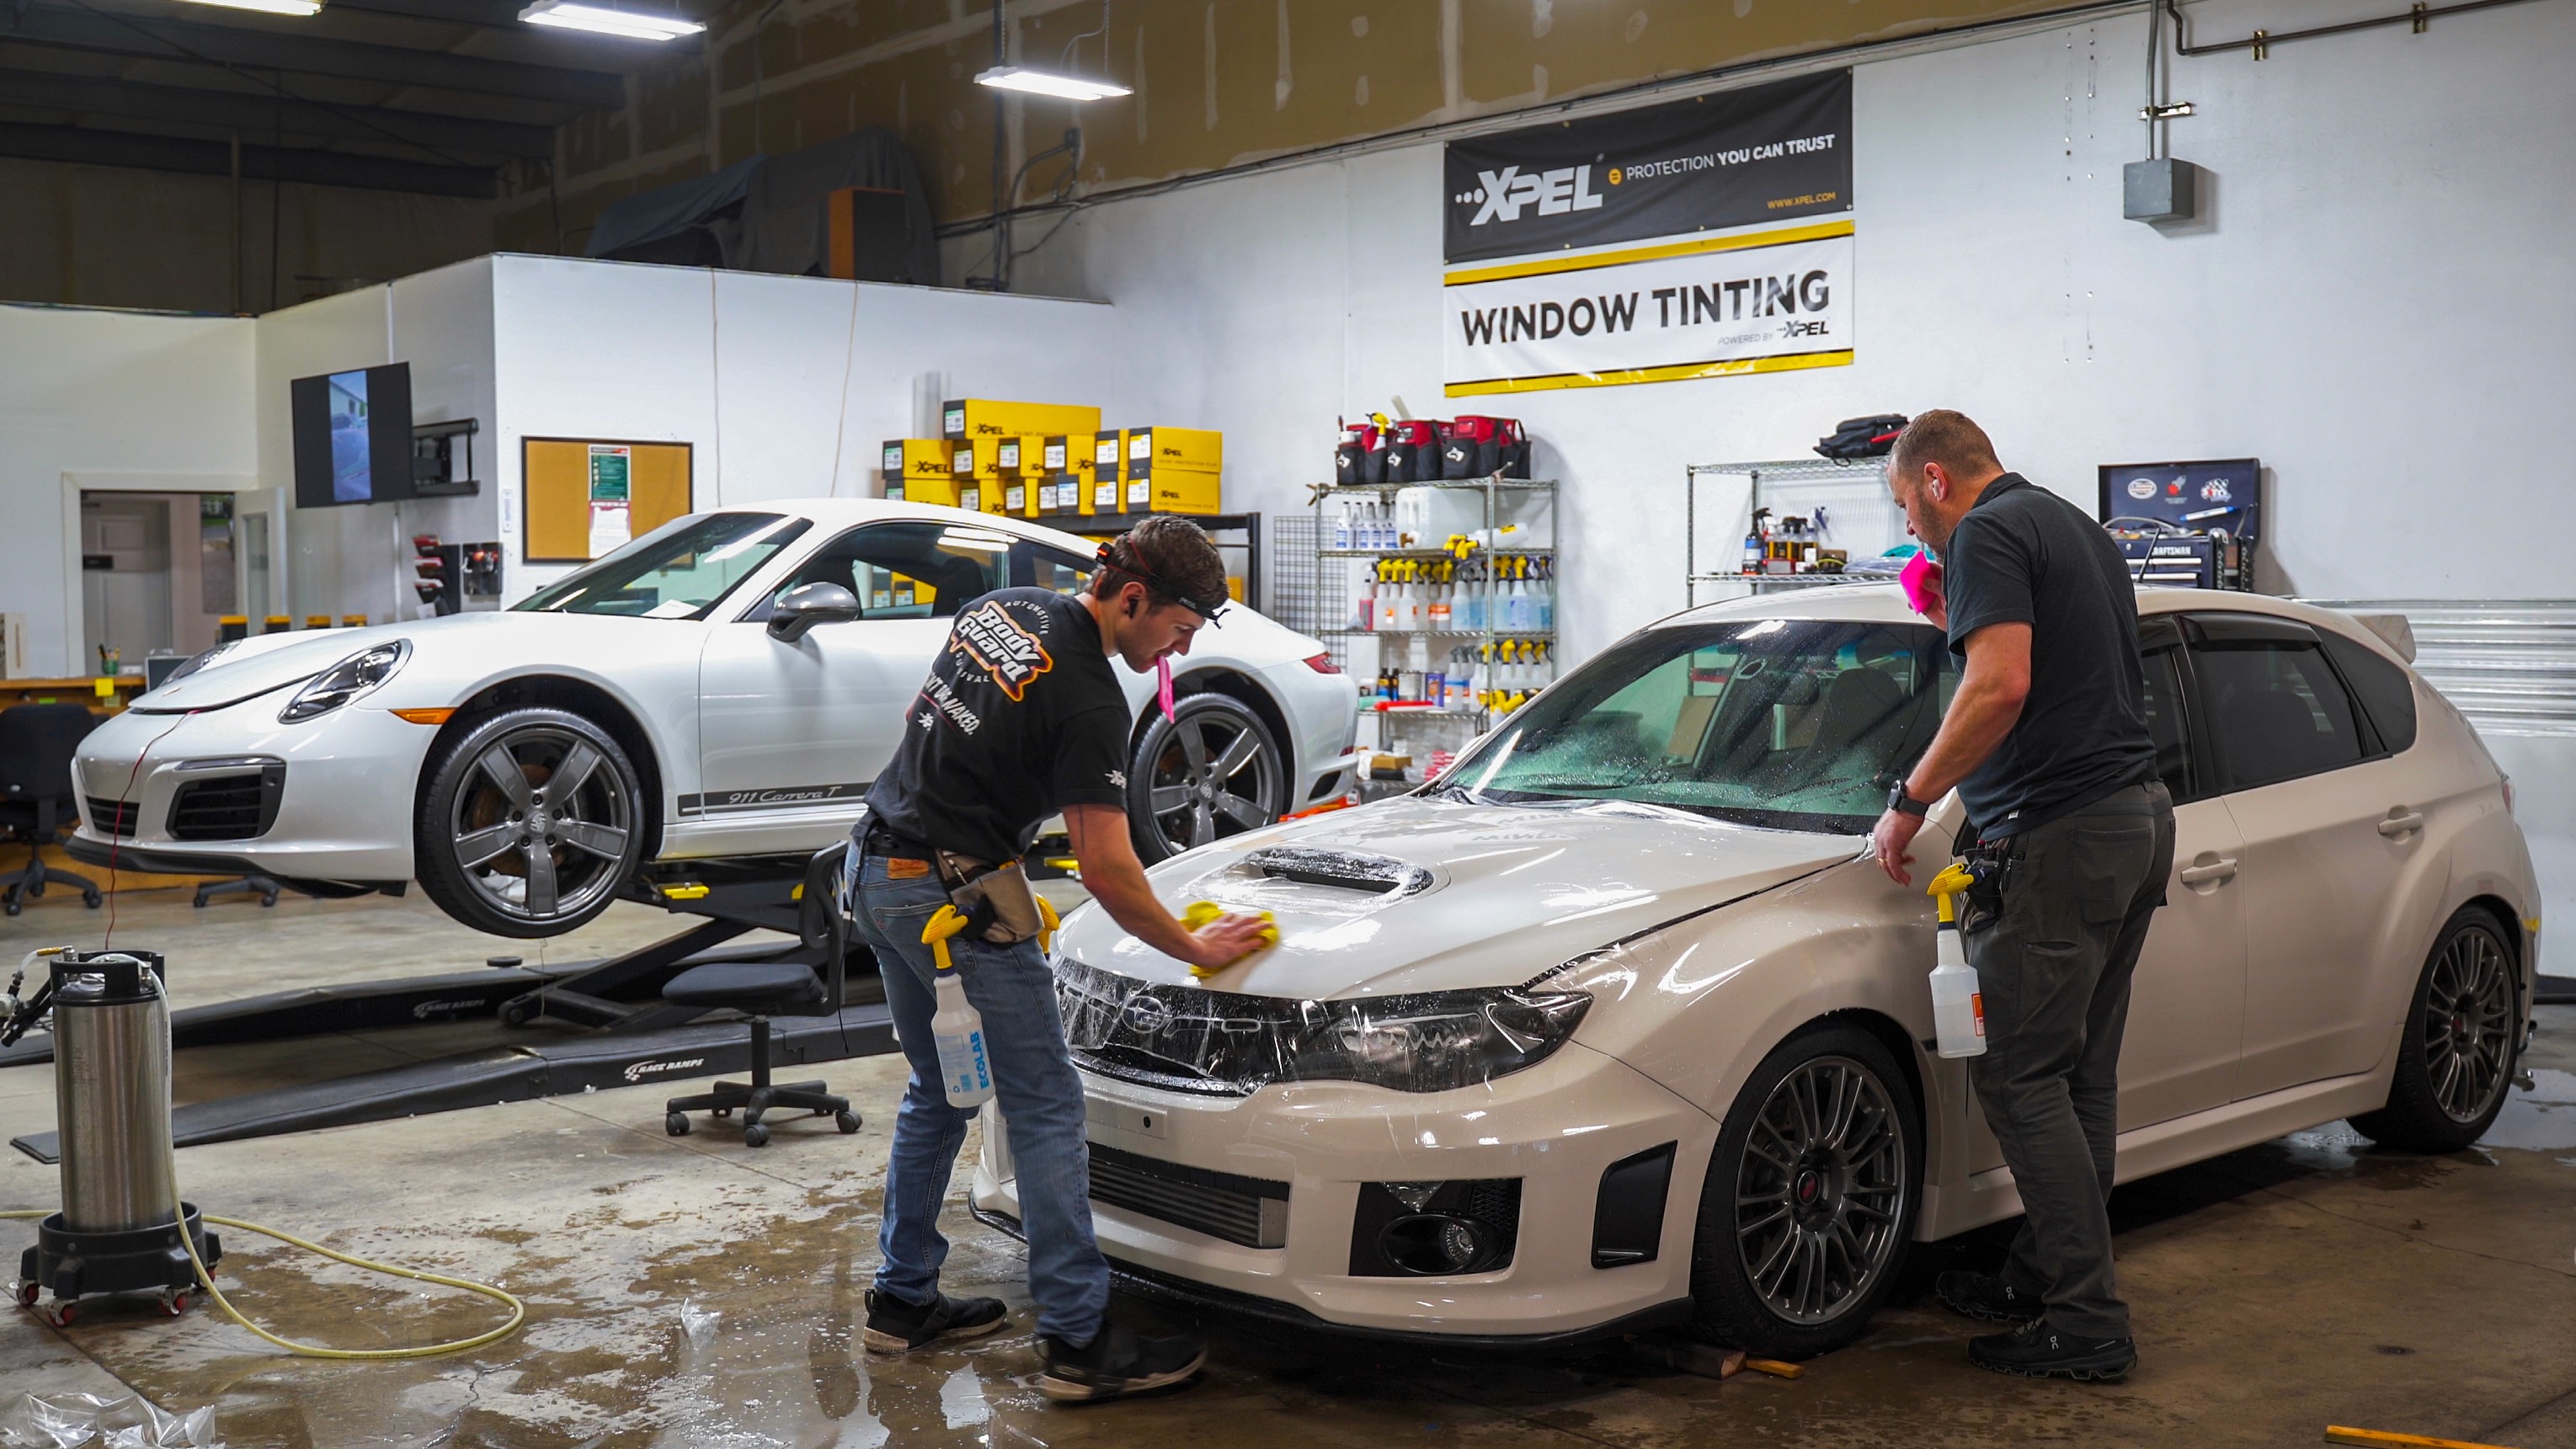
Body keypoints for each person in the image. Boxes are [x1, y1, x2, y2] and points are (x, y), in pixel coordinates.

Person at [842, 516, 1273, 1402]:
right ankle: (1078, 1337)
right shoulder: (1087, 698)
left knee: (939, 1088)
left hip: (875, 870)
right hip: (949, 900)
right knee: (1043, 1102)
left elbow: (941, 728)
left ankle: (900, 1299)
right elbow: (1110, 869)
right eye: (1177, 632)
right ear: (1132, 598)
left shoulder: (1004, 607)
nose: (1173, 653)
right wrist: (1193, 945)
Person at [1869, 410, 2176, 1382]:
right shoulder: (2071, 526)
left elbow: (2000, 686)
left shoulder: (1989, 532)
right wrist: (1946, 612)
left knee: (2018, 1077)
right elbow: (2055, 675)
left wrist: (1907, 800)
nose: (1913, 530)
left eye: (1906, 509)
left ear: (1931, 479)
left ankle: (2085, 1320)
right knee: (2075, 1073)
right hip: (2131, 818)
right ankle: (2043, 1275)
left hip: (2057, 833)